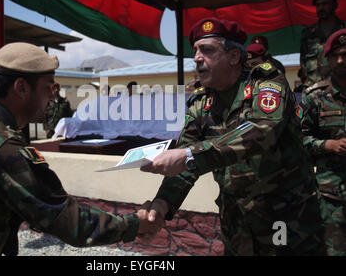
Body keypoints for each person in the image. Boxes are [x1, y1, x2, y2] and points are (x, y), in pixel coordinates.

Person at [0, 42, 162, 256]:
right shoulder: (0, 149)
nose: (52, 97)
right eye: (48, 86)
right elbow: (66, 220)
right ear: (22, 88)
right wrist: (135, 224)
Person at [139, 17, 326, 255]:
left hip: (289, 223)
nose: (197, 57)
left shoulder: (266, 84)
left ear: (234, 57)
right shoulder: (201, 102)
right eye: (195, 51)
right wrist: (161, 207)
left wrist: (188, 154)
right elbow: (186, 167)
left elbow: (262, 129)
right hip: (238, 227)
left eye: (206, 50)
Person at [301, 29, 346, 256]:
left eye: (345, 54)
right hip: (332, 197)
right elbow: (299, 140)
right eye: (335, 55)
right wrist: (327, 145)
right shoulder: (315, 97)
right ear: (327, 59)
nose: (340, 60)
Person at [300, 0, 345, 88]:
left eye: (325, 4)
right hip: (314, 89)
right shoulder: (308, 33)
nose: (321, 8)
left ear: (335, 5)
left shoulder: (343, 29)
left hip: (341, 88)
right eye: (318, 5)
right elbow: (303, 63)